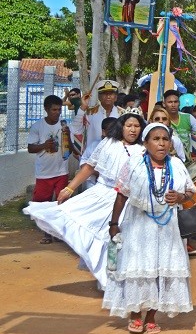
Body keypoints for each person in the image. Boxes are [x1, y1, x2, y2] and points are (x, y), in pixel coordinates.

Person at [24, 110, 146, 288]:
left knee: (120, 239)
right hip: (101, 195)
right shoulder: (108, 143)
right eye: (129, 126)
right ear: (122, 127)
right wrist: (69, 188)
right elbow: (89, 167)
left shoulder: (143, 149)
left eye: (137, 126)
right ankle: (107, 280)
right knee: (99, 234)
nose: (133, 130)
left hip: (128, 201)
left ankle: (116, 278)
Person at [102, 122, 196, 334]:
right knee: (139, 269)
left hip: (166, 229)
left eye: (165, 139)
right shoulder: (134, 164)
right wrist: (114, 224)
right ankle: (135, 315)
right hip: (138, 226)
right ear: (145, 143)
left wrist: (180, 197)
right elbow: (121, 194)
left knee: (160, 269)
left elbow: (190, 192)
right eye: (156, 139)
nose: (161, 144)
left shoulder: (177, 165)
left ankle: (152, 316)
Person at [26, 95, 71, 244]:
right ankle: (46, 233)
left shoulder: (64, 126)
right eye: (54, 110)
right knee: (42, 203)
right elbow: (31, 148)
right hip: (44, 173)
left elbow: (69, 147)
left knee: (62, 202)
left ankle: (60, 232)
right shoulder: (37, 126)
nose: (57, 113)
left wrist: (68, 137)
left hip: (61, 171)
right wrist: (45, 145)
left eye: (59, 109)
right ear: (46, 109)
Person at [70, 79, 125, 159]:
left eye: (111, 93)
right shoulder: (90, 113)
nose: (108, 96)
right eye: (104, 93)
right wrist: (83, 108)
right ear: (99, 96)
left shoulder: (123, 114)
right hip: (93, 157)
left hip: (115, 158)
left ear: (116, 97)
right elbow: (75, 129)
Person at [162, 89, 196, 160]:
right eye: (170, 102)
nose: (173, 105)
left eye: (175, 102)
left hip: (187, 161)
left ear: (179, 103)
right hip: (167, 160)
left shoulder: (188, 117)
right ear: (164, 104)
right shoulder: (161, 119)